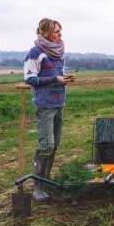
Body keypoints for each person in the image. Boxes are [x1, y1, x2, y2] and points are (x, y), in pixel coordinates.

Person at [23, 18, 75, 201]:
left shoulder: (59, 52)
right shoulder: (35, 52)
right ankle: (38, 187)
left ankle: (47, 181)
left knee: (55, 145)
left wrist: (65, 78)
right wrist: (55, 79)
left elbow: (57, 74)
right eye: (56, 31)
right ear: (46, 33)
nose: (60, 34)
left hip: (59, 102)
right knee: (46, 145)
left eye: (60, 31)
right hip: (44, 104)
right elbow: (29, 79)